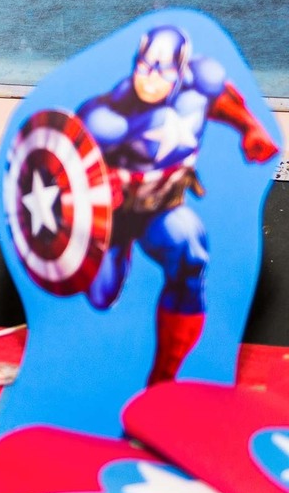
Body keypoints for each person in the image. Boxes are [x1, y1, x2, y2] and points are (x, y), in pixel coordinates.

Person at [75, 25, 278, 384]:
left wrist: (249, 127)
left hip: (161, 209)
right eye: (144, 66)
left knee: (191, 253)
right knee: (100, 295)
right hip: (114, 218)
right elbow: (67, 167)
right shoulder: (107, 117)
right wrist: (97, 192)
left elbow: (221, 99)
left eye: (163, 69)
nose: (151, 79)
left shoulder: (201, 83)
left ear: (182, 68)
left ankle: (164, 379)